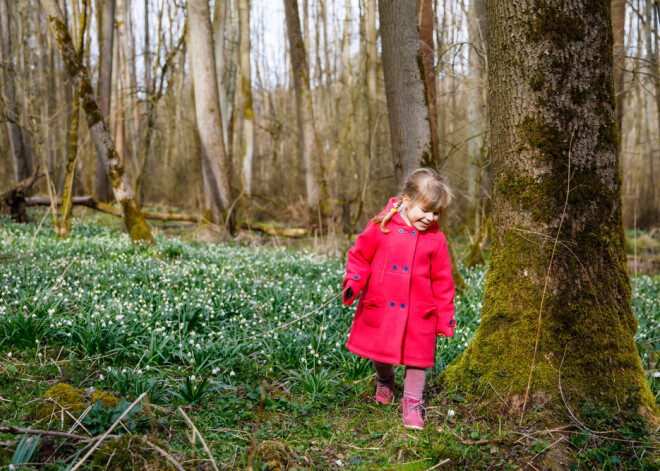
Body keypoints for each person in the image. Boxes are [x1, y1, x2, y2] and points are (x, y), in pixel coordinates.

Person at [343, 168, 455, 430]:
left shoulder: (436, 240)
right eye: (424, 210)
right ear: (406, 201)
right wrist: (353, 282)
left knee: (419, 358)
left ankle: (413, 403)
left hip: (420, 310)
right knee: (381, 350)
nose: (430, 218)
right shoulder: (380, 226)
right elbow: (359, 257)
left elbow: (443, 281)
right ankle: (385, 381)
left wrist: (445, 317)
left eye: (436, 213)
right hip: (382, 305)